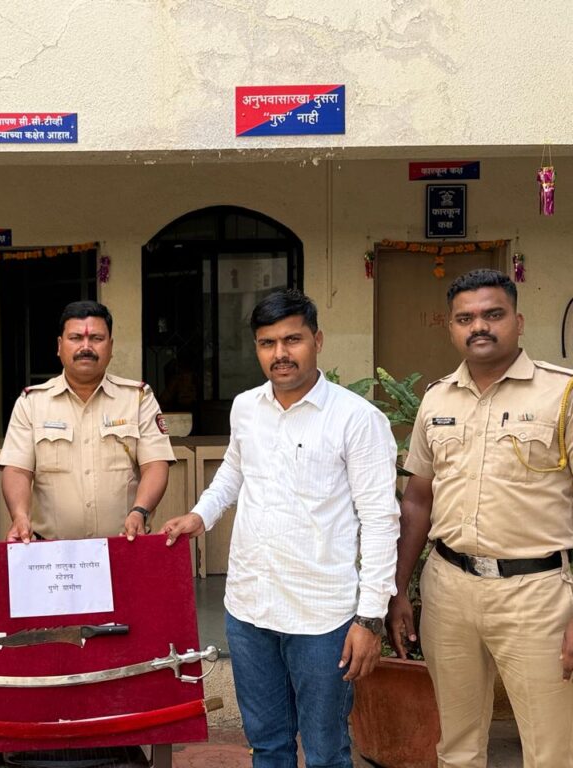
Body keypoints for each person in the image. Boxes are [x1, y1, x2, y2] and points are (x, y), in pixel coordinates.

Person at [163, 289, 399, 768]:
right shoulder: (246, 407)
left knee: (326, 751)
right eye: (267, 343)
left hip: (321, 617)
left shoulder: (357, 419)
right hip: (250, 607)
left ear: (318, 341)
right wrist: (201, 514)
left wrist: (370, 619)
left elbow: (380, 520)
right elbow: (233, 471)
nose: (280, 354)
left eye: (293, 340)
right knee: (267, 745)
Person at [387, 269, 573, 768]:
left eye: (493, 314)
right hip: (449, 590)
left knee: (552, 751)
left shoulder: (562, 394)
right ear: (451, 327)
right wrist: (399, 588)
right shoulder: (437, 398)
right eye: (465, 318)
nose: (479, 327)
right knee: (457, 747)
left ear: (518, 321)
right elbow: (418, 500)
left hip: (537, 596)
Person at [0, 300, 175, 542]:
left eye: (96, 338)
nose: (86, 347)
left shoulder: (137, 398)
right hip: (51, 551)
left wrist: (139, 511)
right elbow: (18, 470)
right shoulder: (32, 402)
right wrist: (19, 516)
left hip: (124, 544)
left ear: (111, 347)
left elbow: (155, 464)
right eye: (75, 338)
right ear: (59, 346)